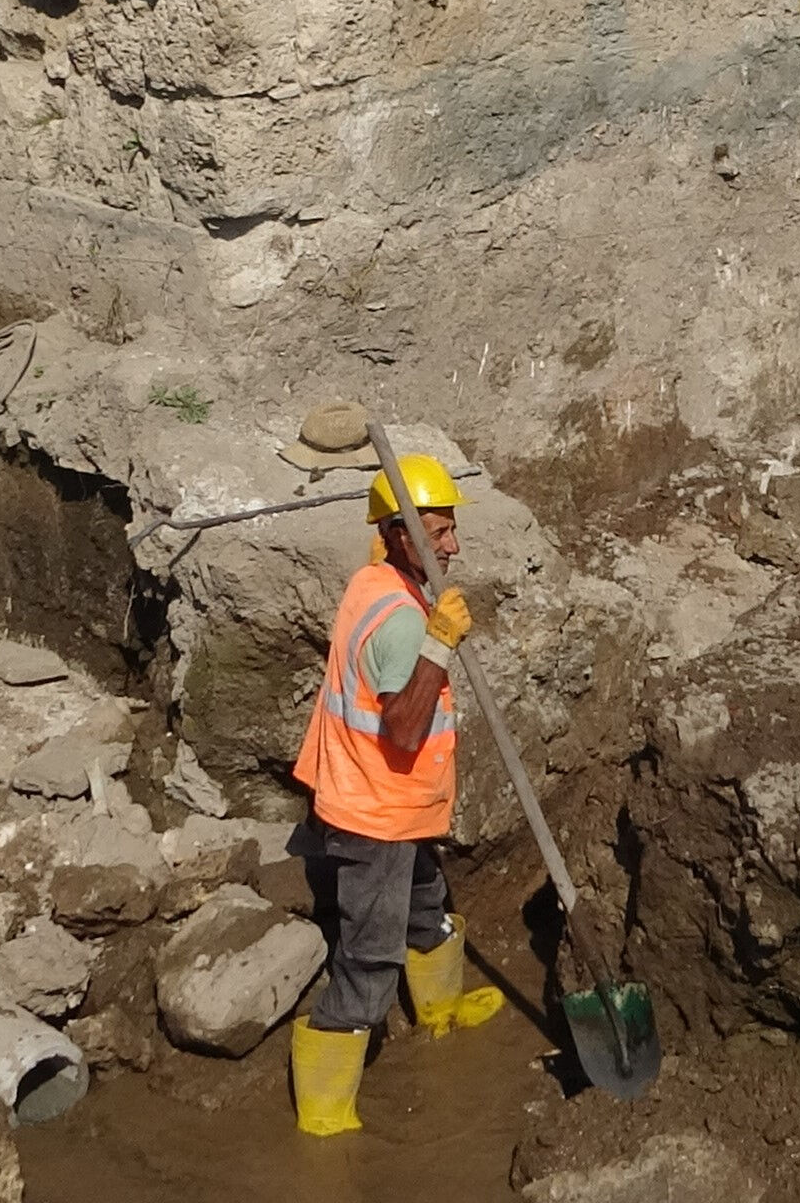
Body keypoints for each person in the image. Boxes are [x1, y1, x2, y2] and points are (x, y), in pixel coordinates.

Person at [285, 451, 508, 1136]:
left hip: (392, 805)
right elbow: (406, 730)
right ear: (401, 533)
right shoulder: (406, 620)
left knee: (427, 904)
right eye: (439, 532)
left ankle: (438, 1010)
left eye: (450, 529)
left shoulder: (372, 581)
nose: (454, 545)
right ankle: (323, 1109)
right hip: (374, 814)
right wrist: (439, 645)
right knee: (371, 957)